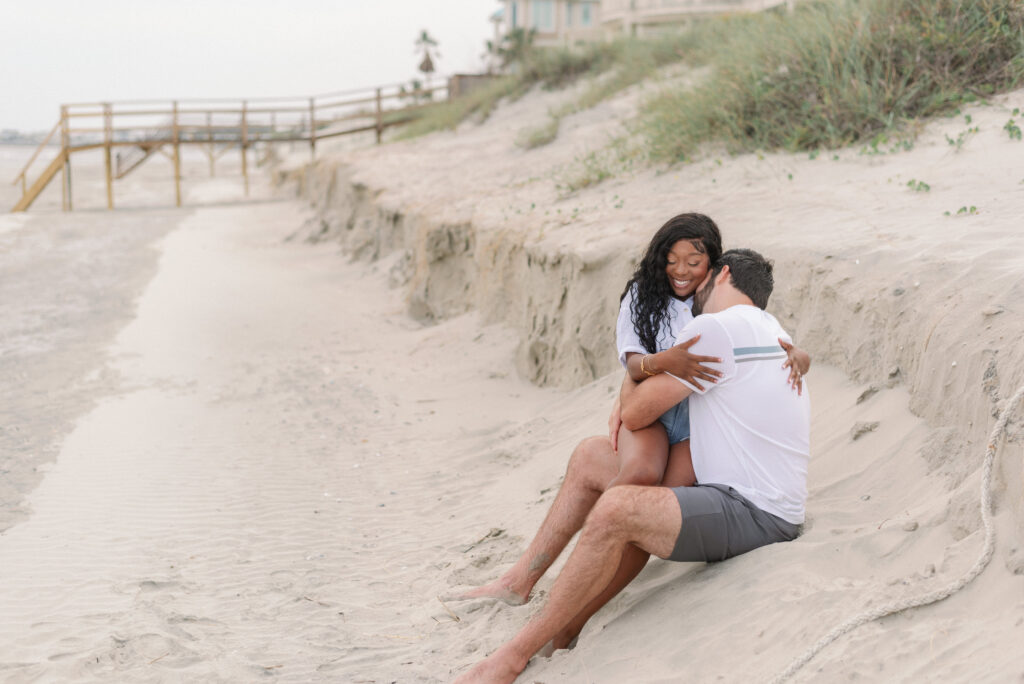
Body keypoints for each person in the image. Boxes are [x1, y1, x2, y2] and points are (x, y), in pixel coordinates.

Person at [453, 249, 810, 683]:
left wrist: (633, 368)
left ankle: (515, 654)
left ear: (724, 274)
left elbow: (638, 412)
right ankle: (525, 583)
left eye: (702, 277)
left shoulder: (715, 327)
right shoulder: (774, 330)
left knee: (618, 509)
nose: (693, 290)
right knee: (592, 456)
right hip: (733, 495)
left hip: (754, 510)